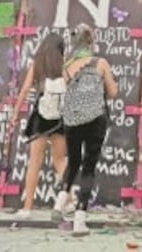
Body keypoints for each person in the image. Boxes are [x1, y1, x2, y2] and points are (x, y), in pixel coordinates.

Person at [58, 24, 117, 235]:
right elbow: (112, 92)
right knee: (88, 167)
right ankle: (80, 220)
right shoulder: (100, 63)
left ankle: (60, 200)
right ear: (91, 42)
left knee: (73, 161)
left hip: (72, 121)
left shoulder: (67, 67)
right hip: (95, 119)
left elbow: (68, 93)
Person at [11, 33, 69, 219]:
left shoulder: (37, 64)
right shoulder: (65, 66)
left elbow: (25, 89)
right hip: (60, 119)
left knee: (34, 163)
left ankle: (27, 208)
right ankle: (70, 201)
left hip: (41, 117)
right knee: (60, 161)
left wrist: (16, 112)